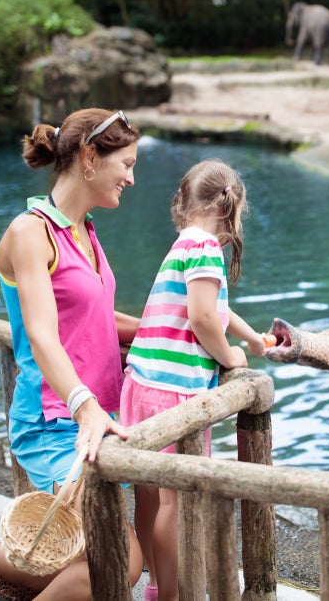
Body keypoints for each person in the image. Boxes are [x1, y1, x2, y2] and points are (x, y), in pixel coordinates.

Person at [0, 108, 145, 601]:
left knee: (81, 553)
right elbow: (43, 334)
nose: (131, 178)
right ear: (89, 157)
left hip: (98, 416)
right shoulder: (31, 233)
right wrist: (85, 406)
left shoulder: (85, 231)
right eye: (126, 164)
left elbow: (96, 320)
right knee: (121, 561)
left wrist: (173, 332)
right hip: (56, 420)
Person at [120, 159, 269, 601]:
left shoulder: (185, 243)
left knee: (147, 495)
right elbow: (204, 318)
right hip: (174, 392)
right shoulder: (207, 248)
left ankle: (154, 582)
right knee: (174, 501)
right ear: (232, 209)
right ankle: (171, 595)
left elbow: (216, 307)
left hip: (142, 383)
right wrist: (229, 354)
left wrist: (252, 340)